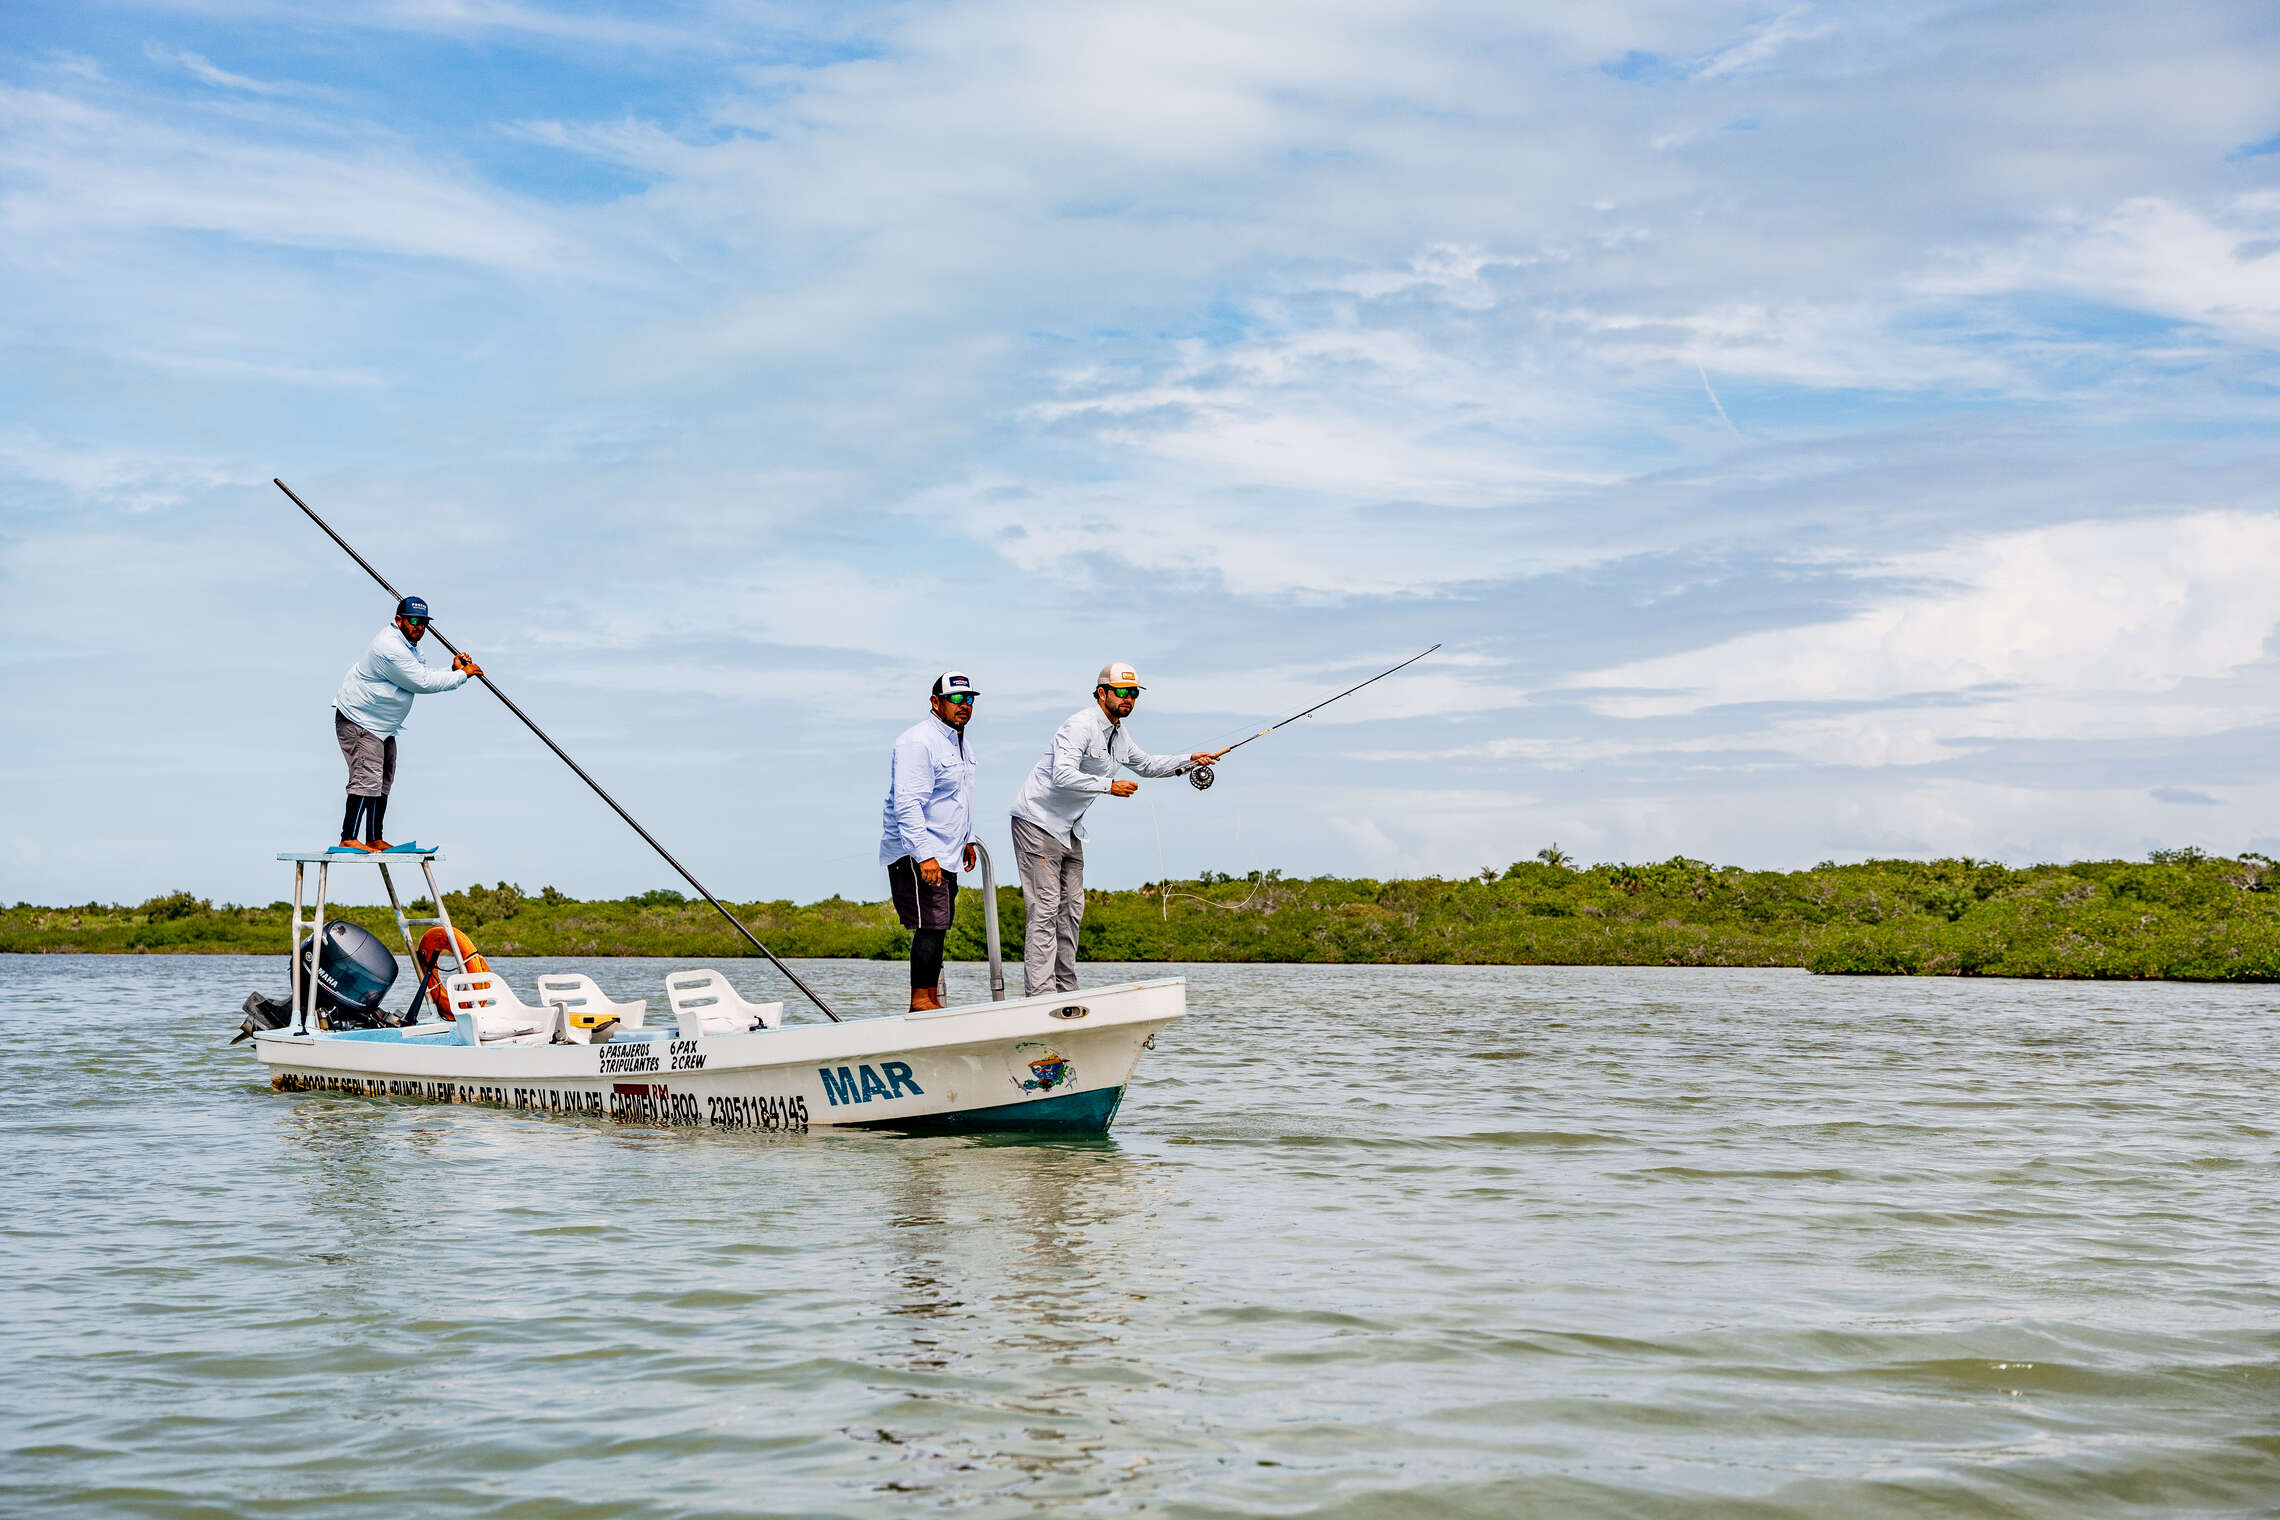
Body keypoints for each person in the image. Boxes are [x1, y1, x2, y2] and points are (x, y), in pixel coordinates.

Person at [1009, 661, 1216, 997]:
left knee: (1071, 910)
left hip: (1069, 829)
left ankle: (1066, 990)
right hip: (1037, 822)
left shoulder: (1120, 735)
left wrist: (1189, 759)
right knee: (1045, 908)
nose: (1128, 699)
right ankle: (1041, 995)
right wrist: (1110, 786)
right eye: (1122, 692)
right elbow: (1061, 774)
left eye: (1133, 693)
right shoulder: (1079, 726)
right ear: (1102, 693)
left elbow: (1146, 765)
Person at [331, 596, 481, 852]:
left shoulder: (408, 646)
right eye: (413, 621)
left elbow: (421, 673)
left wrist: (452, 669)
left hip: (380, 725)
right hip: (360, 721)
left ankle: (374, 837)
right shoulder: (390, 647)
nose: (419, 627)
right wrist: (461, 675)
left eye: (424, 623)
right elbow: (423, 683)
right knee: (366, 777)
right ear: (399, 620)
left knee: (383, 778)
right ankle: (348, 837)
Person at [880, 671, 981, 1012]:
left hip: (948, 851)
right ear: (936, 702)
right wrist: (924, 856)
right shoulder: (917, 741)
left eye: (969, 699)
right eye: (956, 699)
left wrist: (967, 840)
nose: (964, 705)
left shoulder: (960, 743)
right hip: (918, 851)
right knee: (929, 925)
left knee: (939, 926)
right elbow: (907, 803)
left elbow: (960, 798)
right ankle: (920, 1000)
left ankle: (931, 998)